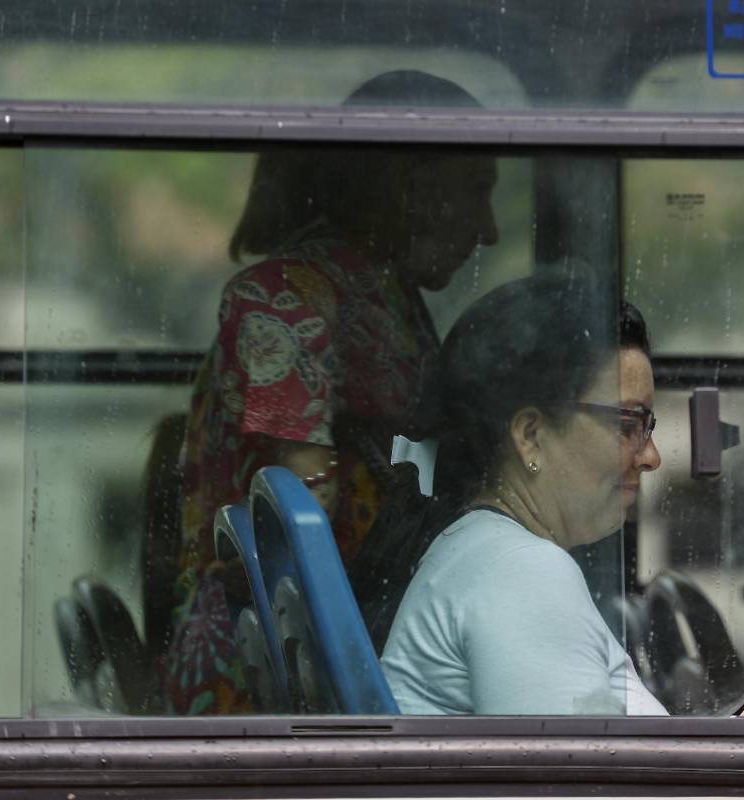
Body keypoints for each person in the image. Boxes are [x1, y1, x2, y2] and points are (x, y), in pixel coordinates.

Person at [165, 70, 498, 715]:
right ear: (409, 188)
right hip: (269, 674)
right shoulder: (286, 299)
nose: (488, 231)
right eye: (476, 191)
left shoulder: (386, 292)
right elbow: (298, 545)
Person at [376, 274, 744, 717]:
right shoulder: (521, 571)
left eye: (648, 427)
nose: (651, 457)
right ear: (531, 436)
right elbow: (593, 788)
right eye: (628, 425)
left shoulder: (486, 552)